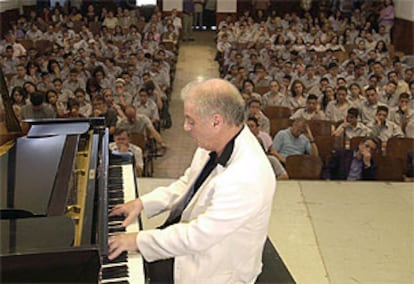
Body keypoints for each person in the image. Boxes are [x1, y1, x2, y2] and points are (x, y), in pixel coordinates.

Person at [107, 79, 276, 283]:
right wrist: (142, 203)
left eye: (191, 121)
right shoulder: (215, 140)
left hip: (214, 269)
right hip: (189, 239)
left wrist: (138, 240)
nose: (185, 127)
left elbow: (197, 236)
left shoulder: (247, 176)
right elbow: (187, 183)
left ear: (216, 121)